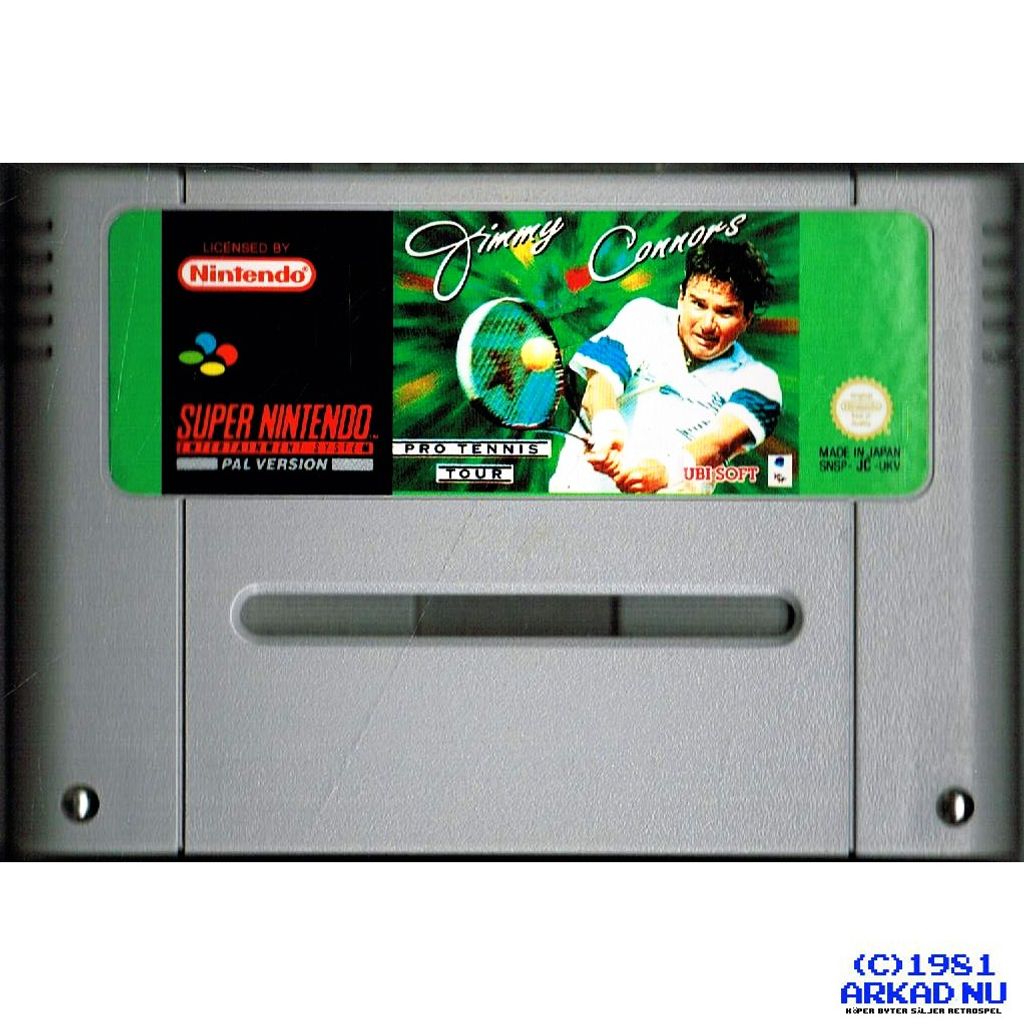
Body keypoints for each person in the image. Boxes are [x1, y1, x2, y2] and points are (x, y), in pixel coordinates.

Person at [548, 239, 782, 494]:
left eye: (725, 312)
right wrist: (607, 426)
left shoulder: (760, 383)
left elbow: (720, 444)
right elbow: (600, 383)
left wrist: (668, 472)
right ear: (681, 297)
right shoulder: (644, 317)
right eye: (698, 304)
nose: (707, 324)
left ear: (747, 318)